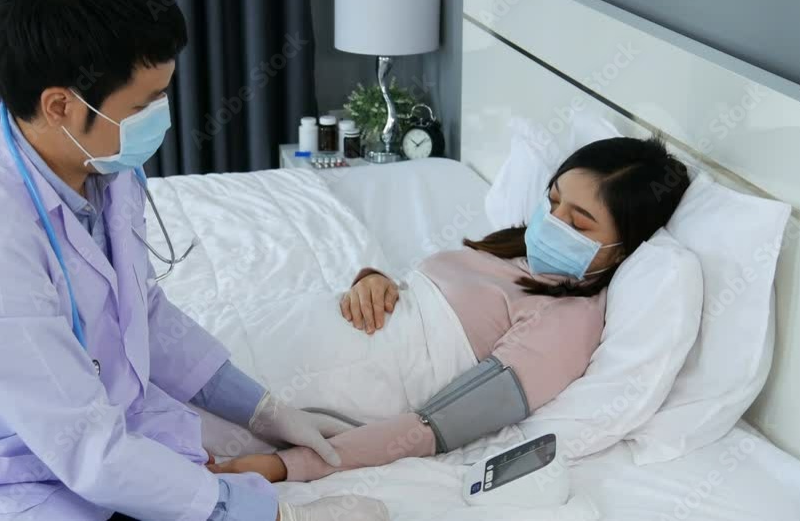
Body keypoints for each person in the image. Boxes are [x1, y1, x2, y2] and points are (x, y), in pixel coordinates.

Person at [0, 0, 390, 520]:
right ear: (59, 105)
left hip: (85, 416)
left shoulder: (97, 163)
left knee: (183, 470)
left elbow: (138, 310)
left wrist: (262, 409)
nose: (160, 118)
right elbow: (90, 452)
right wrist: (274, 515)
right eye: (142, 105)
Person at [208, 136, 692, 483]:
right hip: (299, 323)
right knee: (183, 355)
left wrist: (288, 467)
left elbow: (434, 427)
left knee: (187, 404)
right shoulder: (512, 250)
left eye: (579, 224)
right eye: (552, 200)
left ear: (623, 248)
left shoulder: (567, 322)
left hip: (333, 378)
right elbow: (422, 292)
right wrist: (373, 280)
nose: (551, 222)